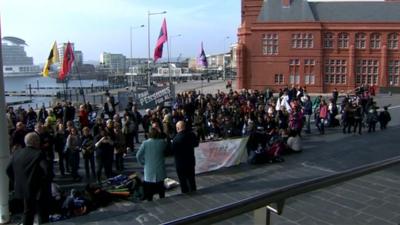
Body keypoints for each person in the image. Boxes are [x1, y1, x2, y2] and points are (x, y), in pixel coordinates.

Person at [7, 132, 51, 225]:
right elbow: (46, 170)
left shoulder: (16, 153)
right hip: (38, 189)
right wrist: (44, 182)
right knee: (42, 213)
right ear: (36, 142)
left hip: (23, 188)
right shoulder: (38, 154)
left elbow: (8, 169)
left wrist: (16, 181)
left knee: (27, 212)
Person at [136, 127, 168, 201]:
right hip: (160, 170)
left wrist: (143, 163)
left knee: (149, 194)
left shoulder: (145, 143)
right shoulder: (162, 142)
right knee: (161, 192)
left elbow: (138, 155)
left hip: (149, 170)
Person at [171, 121, 199, 193]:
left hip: (180, 163)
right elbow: (196, 144)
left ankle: (185, 193)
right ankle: (193, 190)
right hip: (190, 161)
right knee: (191, 179)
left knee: (183, 181)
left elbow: (172, 151)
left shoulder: (175, 139)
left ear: (177, 128)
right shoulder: (191, 135)